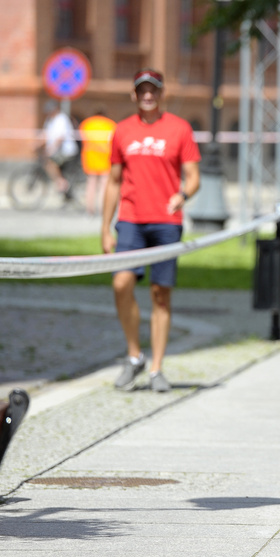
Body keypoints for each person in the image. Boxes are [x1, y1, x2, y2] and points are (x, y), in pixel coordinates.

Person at [101, 69, 201, 393]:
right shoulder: (122, 131)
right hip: (130, 219)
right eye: (142, 90)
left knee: (160, 295)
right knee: (121, 283)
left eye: (153, 90)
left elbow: (193, 177)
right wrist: (105, 227)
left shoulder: (179, 129)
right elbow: (113, 181)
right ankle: (134, 356)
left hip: (166, 222)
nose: (148, 95)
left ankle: (156, 367)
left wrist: (182, 195)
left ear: (161, 94)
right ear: (134, 94)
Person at [79, 109, 117, 215]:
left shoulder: (87, 123)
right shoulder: (110, 124)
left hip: (90, 156)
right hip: (105, 156)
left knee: (91, 183)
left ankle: (89, 209)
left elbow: (83, 138)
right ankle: (102, 208)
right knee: (104, 184)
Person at [42, 100, 79, 195]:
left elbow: (60, 138)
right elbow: (44, 134)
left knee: (51, 163)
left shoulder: (61, 119)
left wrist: (51, 149)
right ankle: (62, 183)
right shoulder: (50, 120)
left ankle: (62, 183)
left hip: (67, 151)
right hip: (57, 150)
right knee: (48, 162)